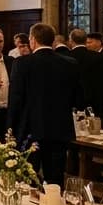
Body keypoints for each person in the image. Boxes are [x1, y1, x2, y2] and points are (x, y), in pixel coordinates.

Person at [8, 23, 79, 185]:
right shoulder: (69, 63)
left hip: (30, 129)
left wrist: (10, 129)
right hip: (60, 128)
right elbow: (76, 97)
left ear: (32, 40)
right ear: (53, 41)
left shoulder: (22, 63)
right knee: (55, 179)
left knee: (27, 177)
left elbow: (16, 100)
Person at [68, 28, 103, 126]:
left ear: (71, 41)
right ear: (85, 41)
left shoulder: (66, 58)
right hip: (96, 102)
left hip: (73, 103)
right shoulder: (100, 57)